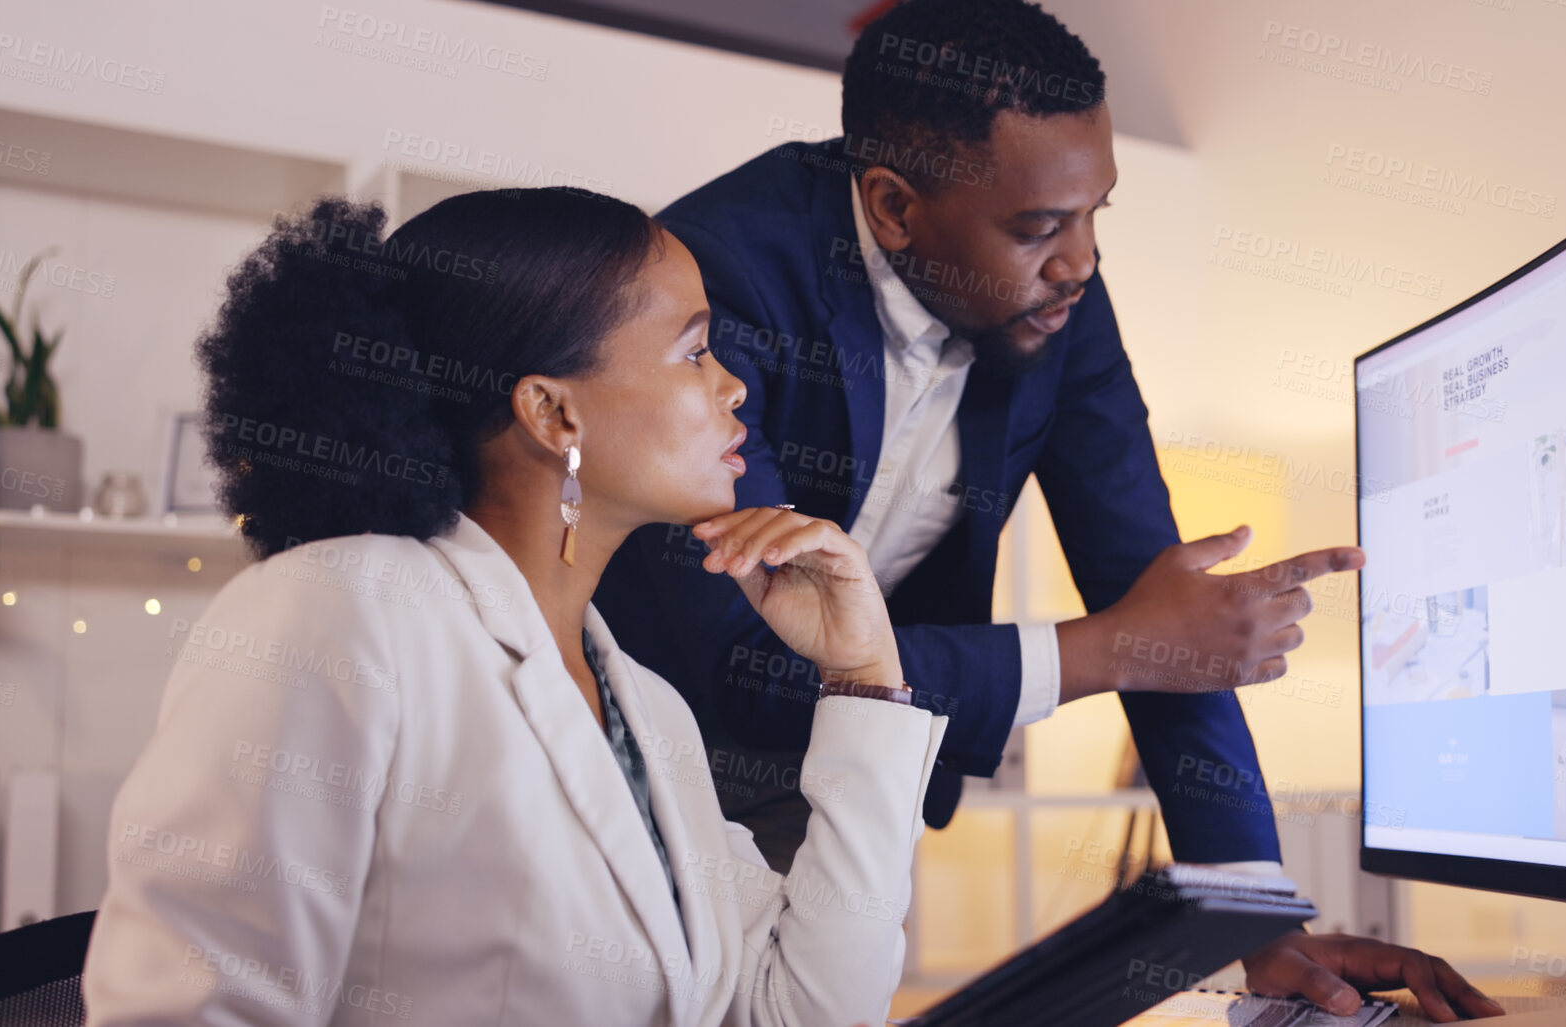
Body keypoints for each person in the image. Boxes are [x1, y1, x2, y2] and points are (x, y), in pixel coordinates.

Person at [592, 0, 1504, 1020]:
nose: (1082, 259)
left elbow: (1165, 609)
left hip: (858, 767)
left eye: (1096, 212)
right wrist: (1114, 649)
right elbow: (745, 659)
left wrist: (1257, 917)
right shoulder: (729, 275)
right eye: (1040, 227)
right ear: (893, 207)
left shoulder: (1063, 297)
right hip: (656, 761)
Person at [82, 189, 946, 1026]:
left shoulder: (649, 713)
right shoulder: (338, 612)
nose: (733, 389)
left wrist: (862, 674)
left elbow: (804, 1010)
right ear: (553, 413)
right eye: (694, 351)